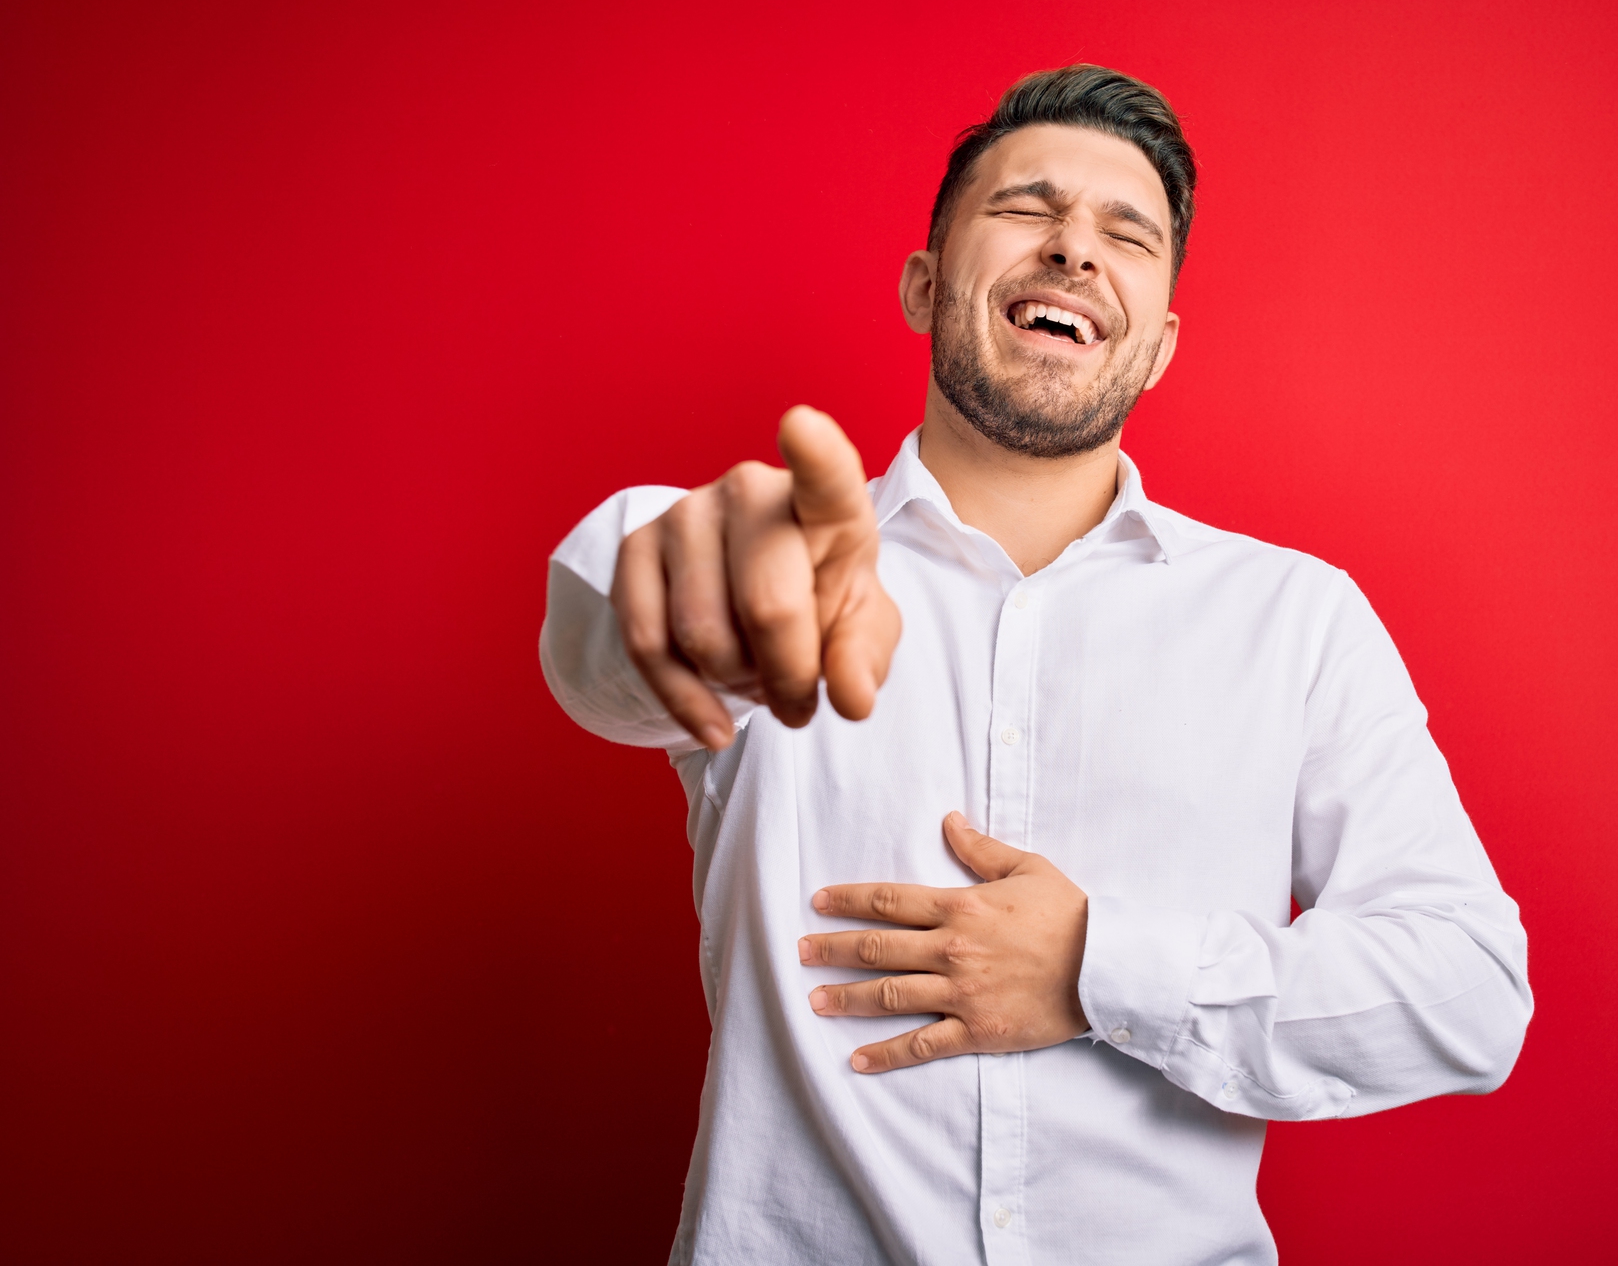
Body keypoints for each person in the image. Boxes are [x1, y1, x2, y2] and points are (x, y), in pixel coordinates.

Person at [540, 64, 1531, 1266]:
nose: (1074, 250)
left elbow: (1467, 992)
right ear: (923, 285)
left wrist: (1095, 969)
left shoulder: (1296, 620)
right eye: (1027, 208)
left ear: (1156, 345)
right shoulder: (776, 563)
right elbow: (613, 643)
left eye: (1127, 234)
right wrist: (667, 589)